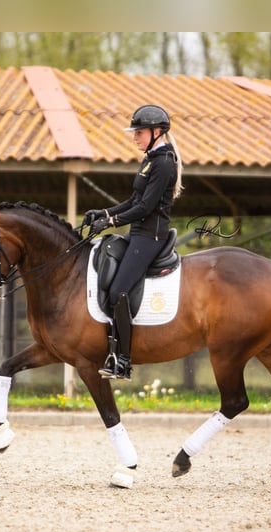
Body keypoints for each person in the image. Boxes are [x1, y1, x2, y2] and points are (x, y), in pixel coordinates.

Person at [83, 104, 184, 380]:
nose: (135, 137)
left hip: (150, 236)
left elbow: (146, 208)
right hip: (138, 233)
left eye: (139, 132)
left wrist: (112, 223)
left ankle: (122, 360)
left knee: (118, 291)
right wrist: (104, 213)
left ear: (156, 132)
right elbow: (133, 201)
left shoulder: (164, 162)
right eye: (135, 132)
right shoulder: (150, 159)